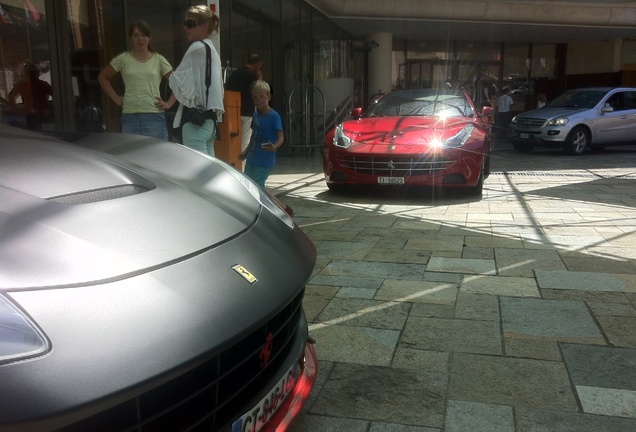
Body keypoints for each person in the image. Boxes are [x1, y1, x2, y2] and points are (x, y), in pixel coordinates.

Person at [158, 5, 224, 156]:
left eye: (190, 24)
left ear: (204, 26)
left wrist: (159, 66)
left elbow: (178, 81)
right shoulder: (211, 49)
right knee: (209, 172)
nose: (185, 28)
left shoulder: (196, 48)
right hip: (209, 122)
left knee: (196, 172)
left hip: (196, 123)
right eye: (185, 24)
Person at [98, 20, 173, 140]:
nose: (140, 39)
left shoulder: (159, 59)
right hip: (130, 116)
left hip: (154, 116)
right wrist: (115, 98)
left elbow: (178, 83)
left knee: (156, 156)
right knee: (131, 156)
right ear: (131, 38)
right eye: (136, 35)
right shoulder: (123, 59)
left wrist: (169, 103)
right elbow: (102, 77)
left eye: (144, 35)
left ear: (149, 38)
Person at [242, 81, 283, 188]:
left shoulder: (274, 116)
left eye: (262, 96)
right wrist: (246, 152)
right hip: (251, 159)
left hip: (264, 162)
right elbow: (253, 137)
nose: (258, 100)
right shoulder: (255, 116)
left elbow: (281, 136)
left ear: (269, 97)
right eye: (255, 98)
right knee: (249, 186)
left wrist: (275, 146)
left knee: (257, 187)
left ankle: (264, 205)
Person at [225, 54, 263, 157]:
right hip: (246, 112)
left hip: (232, 110)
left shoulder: (235, 74)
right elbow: (260, 90)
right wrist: (259, 78)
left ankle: (232, 161)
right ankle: (241, 165)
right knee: (244, 141)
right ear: (257, 65)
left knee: (232, 140)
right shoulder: (252, 76)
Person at [7, 62, 53, 130]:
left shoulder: (22, 85)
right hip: (42, 114)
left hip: (32, 114)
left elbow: (11, 97)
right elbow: (58, 97)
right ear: (38, 73)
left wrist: (15, 110)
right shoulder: (43, 85)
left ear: (25, 74)